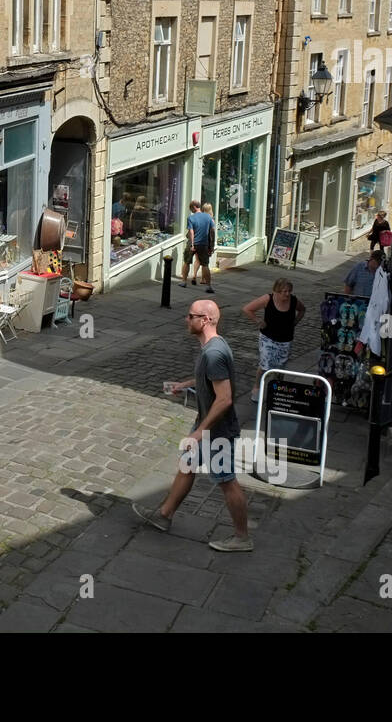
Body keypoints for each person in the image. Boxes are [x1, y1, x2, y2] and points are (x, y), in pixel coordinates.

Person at [133, 300, 253, 552]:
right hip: (207, 425)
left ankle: (242, 538)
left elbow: (225, 398)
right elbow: (208, 381)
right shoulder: (212, 347)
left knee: (227, 481)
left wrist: (201, 431)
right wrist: (185, 384)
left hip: (216, 430)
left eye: (191, 316)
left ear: (206, 320)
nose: (186, 320)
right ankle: (164, 516)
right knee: (186, 465)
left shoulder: (214, 354)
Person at [243, 278, 306, 402]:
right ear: (277, 291)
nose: (287, 294)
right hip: (268, 338)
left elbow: (302, 309)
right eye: (284, 291)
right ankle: (257, 387)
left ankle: (278, 389)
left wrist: (295, 322)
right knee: (265, 364)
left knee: (281, 366)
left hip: (285, 339)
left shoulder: (293, 301)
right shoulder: (268, 299)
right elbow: (247, 309)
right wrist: (258, 320)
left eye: (289, 291)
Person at [178, 201, 201, 287]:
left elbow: (191, 232)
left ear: (194, 207)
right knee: (200, 261)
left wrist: (192, 244)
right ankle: (195, 276)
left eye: (191, 208)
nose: (191, 211)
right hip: (202, 242)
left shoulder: (191, 218)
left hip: (193, 242)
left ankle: (184, 281)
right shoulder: (206, 217)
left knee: (186, 262)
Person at [196, 203, 217, 285]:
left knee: (200, 261)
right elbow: (212, 234)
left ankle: (200, 278)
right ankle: (205, 280)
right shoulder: (211, 220)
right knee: (205, 263)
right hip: (206, 244)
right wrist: (212, 246)